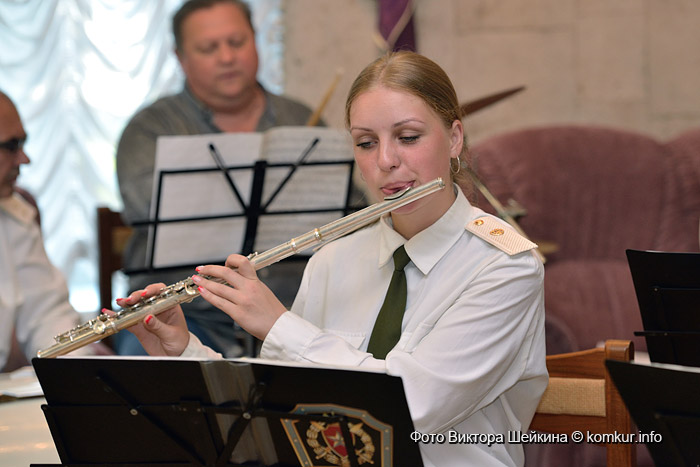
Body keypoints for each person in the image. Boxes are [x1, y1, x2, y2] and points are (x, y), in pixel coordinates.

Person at [117, 51, 548, 466]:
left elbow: (412, 405)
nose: (385, 161)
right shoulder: (331, 260)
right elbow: (272, 416)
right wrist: (184, 353)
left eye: (409, 137)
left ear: (454, 138)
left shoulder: (505, 267)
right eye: (365, 142)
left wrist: (278, 325)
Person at [115, 0, 322, 357]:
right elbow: (150, 212)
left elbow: (348, 209)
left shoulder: (301, 118)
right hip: (189, 315)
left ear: (256, 41)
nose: (227, 57)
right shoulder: (149, 130)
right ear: (180, 57)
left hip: (292, 313)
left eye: (237, 42)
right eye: (209, 48)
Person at [0, 90, 103, 372]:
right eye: (11, 146)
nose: (24, 159)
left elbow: (47, 317)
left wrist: (80, 381)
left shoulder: (14, 216)